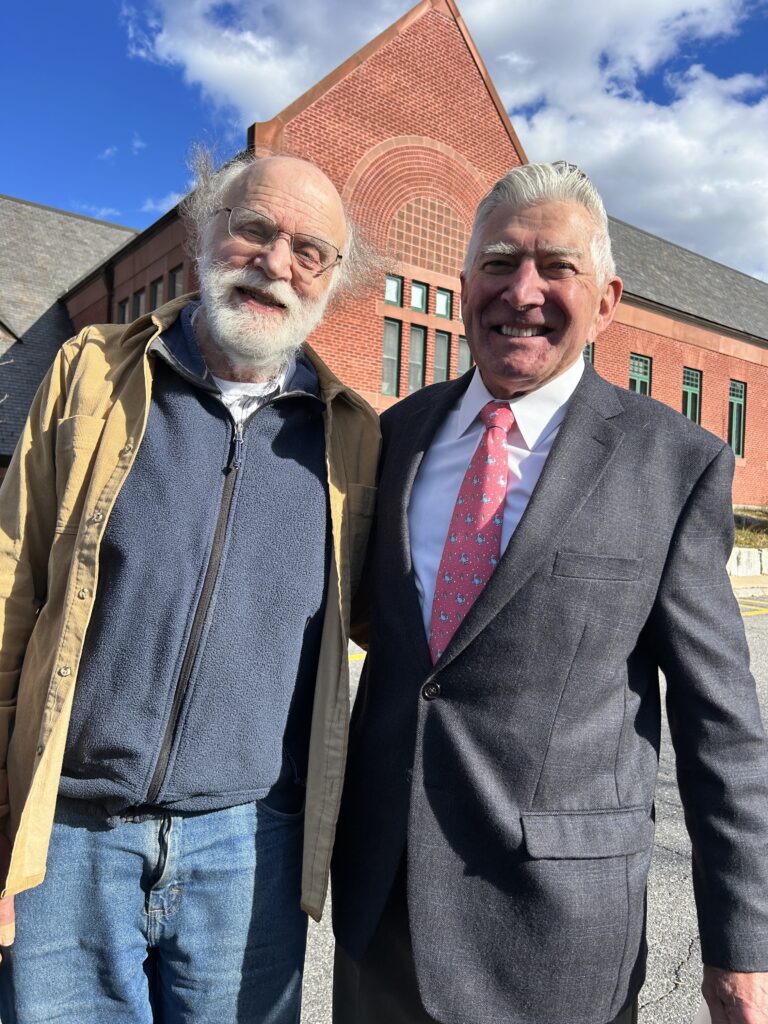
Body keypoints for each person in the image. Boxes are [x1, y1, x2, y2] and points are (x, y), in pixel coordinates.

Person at [331, 162, 768, 1024]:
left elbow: (722, 725)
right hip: (381, 914)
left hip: (558, 940)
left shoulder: (673, 463)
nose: (521, 290)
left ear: (606, 299)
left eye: (556, 267)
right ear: (462, 287)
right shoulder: (395, 438)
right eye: (498, 262)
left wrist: (741, 948)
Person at [0, 151, 379, 1023]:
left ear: (332, 282)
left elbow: (397, 625)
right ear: (205, 231)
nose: (276, 262)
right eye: (255, 227)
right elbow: (11, 593)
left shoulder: (350, 437)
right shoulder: (92, 376)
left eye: (310, 250)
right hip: (69, 840)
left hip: (252, 847)